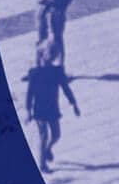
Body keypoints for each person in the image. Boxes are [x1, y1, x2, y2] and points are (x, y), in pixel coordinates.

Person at [23, 41, 79, 172]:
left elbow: (66, 89)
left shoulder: (57, 72)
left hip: (53, 108)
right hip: (40, 109)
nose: (53, 56)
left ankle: (48, 148)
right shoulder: (34, 74)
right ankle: (42, 164)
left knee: (56, 135)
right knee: (43, 135)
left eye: (54, 54)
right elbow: (29, 94)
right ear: (42, 55)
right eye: (50, 53)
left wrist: (74, 103)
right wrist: (28, 111)